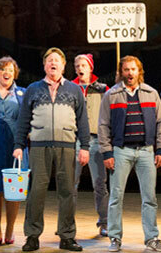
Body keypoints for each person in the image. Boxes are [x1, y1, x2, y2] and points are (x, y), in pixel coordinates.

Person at [13, 47, 90, 252]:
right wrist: (19, 145)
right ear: (44, 65)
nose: (53, 63)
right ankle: (32, 236)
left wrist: (85, 147)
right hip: (39, 146)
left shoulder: (74, 90)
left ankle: (67, 236)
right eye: (49, 61)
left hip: (67, 147)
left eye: (57, 60)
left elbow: (83, 121)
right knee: (36, 191)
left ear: (64, 66)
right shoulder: (33, 89)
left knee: (67, 192)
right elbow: (23, 120)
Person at [98, 56, 161, 252]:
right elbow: (103, 125)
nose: (130, 73)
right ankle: (115, 238)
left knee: (149, 197)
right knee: (116, 197)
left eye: (133, 69)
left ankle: (152, 238)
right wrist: (106, 152)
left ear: (139, 72)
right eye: (126, 70)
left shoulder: (151, 93)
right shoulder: (111, 95)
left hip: (146, 151)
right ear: (121, 73)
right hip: (121, 152)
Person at [0, 56, 27, 245]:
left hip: (15, 146)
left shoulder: (23, 94)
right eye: (3, 69)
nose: (7, 72)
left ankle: (10, 230)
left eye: (10, 69)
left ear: (15, 74)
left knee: (14, 189)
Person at [72, 53, 109, 237]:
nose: (80, 68)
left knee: (99, 184)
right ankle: (67, 223)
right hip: (75, 141)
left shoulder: (102, 89)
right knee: (70, 184)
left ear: (90, 67)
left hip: (96, 141)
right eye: (77, 65)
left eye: (83, 65)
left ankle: (104, 222)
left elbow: (110, 114)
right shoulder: (70, 89)